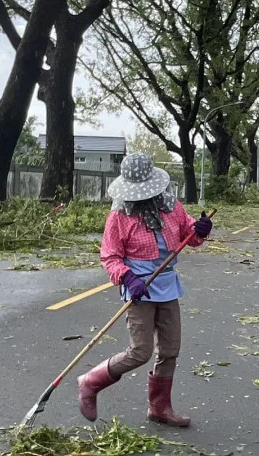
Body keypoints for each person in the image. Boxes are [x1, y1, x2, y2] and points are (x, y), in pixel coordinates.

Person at [77, 153, 213, 427]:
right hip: (139, 287)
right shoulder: (119, 215)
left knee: (170, 349)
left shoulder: (169, 206)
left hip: (166, 284)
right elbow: (110, 257)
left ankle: (160, 408)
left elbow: (190, 235)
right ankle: (90, 382)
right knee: (141, 351)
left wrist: (201, 229)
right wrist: (127, 279)